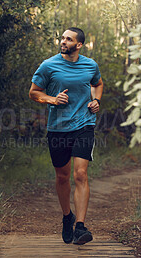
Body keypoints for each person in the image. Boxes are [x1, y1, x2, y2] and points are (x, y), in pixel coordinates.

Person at [29, 27, 103, 245]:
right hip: (58, 129)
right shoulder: (48, 65)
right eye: (62, 38)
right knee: (62, 176)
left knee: (80, 174)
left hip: (84, 125)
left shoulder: (90, 65)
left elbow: (97, 84)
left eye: (68, 39)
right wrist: (52, 99)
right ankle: (66, 216)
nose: (63, 41)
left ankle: (80, 227)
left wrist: (96, 101)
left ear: (78, 45)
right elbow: (34, 93)